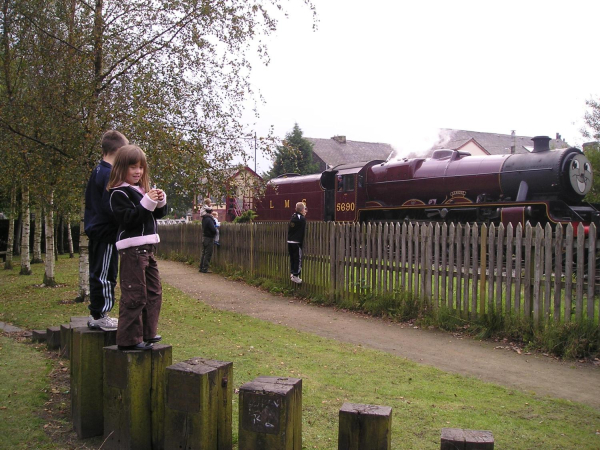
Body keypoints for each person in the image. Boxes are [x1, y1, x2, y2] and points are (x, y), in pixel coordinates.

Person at [107, 145, 167, 350]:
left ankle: (148, 333)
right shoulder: (118, 194)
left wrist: (159, 201)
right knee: (135, 294)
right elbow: (129, 219)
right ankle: (129, 340)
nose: (137, 171)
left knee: (153, 292)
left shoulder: (141, 191)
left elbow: (156, 215)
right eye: (133, 167)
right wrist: (147, 202)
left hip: (148, 249)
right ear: (121, 168)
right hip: (132, 251)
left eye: (140, 167)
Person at [84, 130, 129, 330]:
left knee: (101, 270)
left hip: (97, 229)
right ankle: (100, 314)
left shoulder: (98, 171)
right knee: (104, 273)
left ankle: (99, 312)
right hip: (105, 232)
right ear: (118, 151)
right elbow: (111, 206)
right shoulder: (109, 174)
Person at [287, 202, 307, 284]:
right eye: (305, 209)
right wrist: (303, 215)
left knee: (292, 258)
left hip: (290, 241)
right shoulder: (301, 219)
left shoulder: (293, 217)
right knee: (298, 259)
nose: (306, 211)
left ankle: (292, 273)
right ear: (302, 210)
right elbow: (302, 221)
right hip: (296, 242)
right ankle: (296, 275)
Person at [199, 207, 217, 273]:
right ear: (210, 212)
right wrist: (215, 232)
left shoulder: (204, 219)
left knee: (203, 253)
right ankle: (205, 268)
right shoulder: (209, 219)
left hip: (204, 237)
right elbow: (212, 228)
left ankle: (201, 267)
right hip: (209, 238)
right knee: (208, 253)